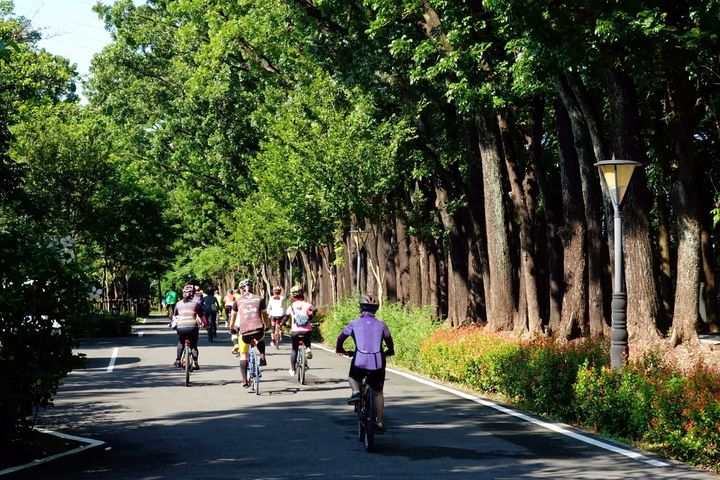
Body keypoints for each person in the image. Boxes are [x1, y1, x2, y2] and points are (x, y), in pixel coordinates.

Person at [335, 295, 394, 433]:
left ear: (361, 309)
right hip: (378, 362)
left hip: (360, 360)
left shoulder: (354, 323)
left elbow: (340, 338)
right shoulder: (382, 325)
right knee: (378, 392)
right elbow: (389, 341)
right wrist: (390, 351)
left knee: (353, 377)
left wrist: (340, 349)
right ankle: (379, 421)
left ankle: (356, 392)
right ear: (376, 310)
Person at [229, 279, 270, 377]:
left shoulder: (238, 301)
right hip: (258, 329)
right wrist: (267, 326)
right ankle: (262, 355)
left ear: (241, 290)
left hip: (244, 331)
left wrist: (231, 328)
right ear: (252, 288)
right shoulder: (260, 299)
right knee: (260, 338)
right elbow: (265, 315)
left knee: (243, 354)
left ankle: (244, 380)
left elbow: (233, 317)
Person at [286, 285, 316, 376]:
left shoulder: (291, 306)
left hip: (295, 331)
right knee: (307, 339)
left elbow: (285, 318)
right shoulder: (306, 304)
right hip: (306, 330)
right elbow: (314, 309)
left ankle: (292, 369)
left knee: (294, 349)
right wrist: (310, 318)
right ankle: (308, 348)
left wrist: (283, 324)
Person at [173, 284, 203, 370]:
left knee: (181, 343)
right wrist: (205, 324)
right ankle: (195, 363)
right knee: (193, 346)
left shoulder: (178, 304)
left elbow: (175, 317)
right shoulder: (196, 304)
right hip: (193, 327)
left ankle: (178, 360)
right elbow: (202, 317)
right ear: (192, 294)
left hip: (181, 327)